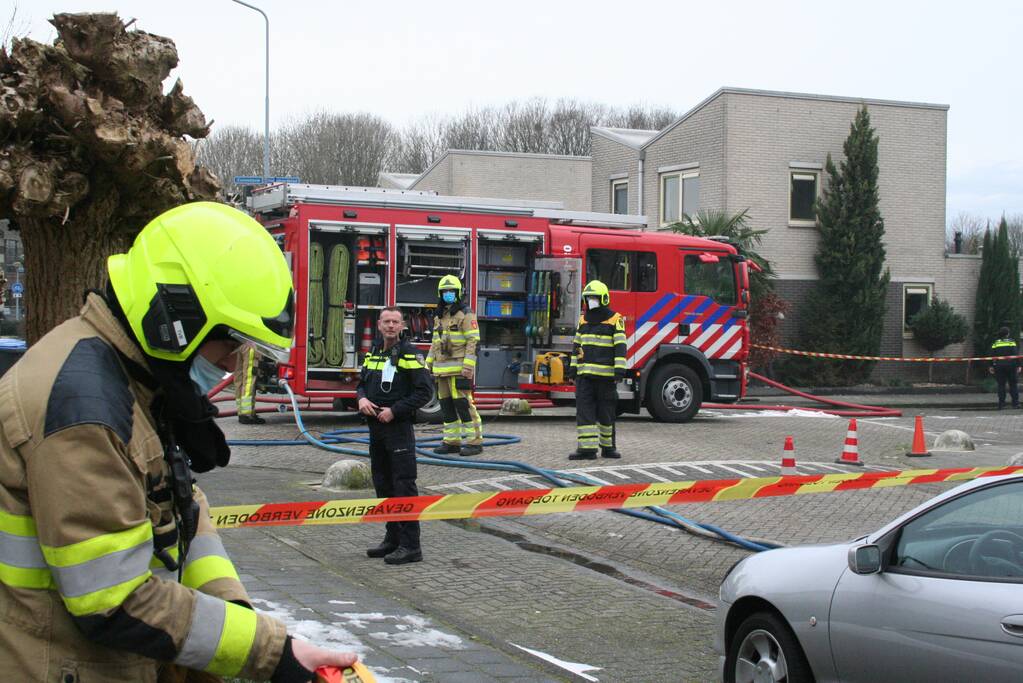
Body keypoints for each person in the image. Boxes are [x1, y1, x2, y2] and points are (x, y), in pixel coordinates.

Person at [0, 202, 357, 682]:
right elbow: (114, 599)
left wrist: (231, 610)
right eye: (229, 343)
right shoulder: (84, 412)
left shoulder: (130, 376)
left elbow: (181, 506)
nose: (232, 364)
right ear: (175, 317)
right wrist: (272, 653)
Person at [357, 307, 433, 565]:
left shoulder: (410, 353)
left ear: (402, 326)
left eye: (395, 322)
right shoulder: (374, 352)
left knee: (404, 485)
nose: (390, 326)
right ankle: (392, 539)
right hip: (376, 427)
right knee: (383, 484)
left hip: (398, 428)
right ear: (379, 325)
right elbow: (361, 384)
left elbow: (424, 392)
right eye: (386, 321)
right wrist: (361, 399)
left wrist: (395, 411)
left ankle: (411, 546)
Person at [567, 280, 627, 460]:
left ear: (604, 299)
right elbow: (577, 347)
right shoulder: (583, 319)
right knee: (584, 413)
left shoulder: (615, 319)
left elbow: (620, 347)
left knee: (606, 414)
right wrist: (573, 369)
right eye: (588, 298)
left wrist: (619, 371)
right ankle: (587, 450)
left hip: (606, 378)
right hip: (585, 377)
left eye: (594, 297)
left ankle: (608, 448)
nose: (591, 301)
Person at [426, 275, 484, 457]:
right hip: (442, 371)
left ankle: (475, 442)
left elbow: (473, 341)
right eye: (445, 291)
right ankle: (451, 442)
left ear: (458, 293)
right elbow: (435, 342)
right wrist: (428, 364)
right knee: (447, 407)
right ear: (440, 293)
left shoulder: (466, 314)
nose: (448, 294)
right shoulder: (440, 315)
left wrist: (468, 367)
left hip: (459, 371)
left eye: (452, 291)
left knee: (464, 406)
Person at [235, 341, 266, 424]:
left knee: (240, 380)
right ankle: (247, 414)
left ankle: (242, 413)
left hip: (240, 341)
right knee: (249, 381)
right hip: (251, 344)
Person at [989, 326, 1020, 409]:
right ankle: (1015, 404)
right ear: (1008, 334)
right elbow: (1015, 354)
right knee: (1013, 385)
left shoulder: (996, 343)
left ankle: (1001, 404)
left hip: (999, 366)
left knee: (1001, 385)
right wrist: (1019, 365)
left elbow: (992, 355)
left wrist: (991, 365)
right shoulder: (1011, 342)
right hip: (1011, 366)